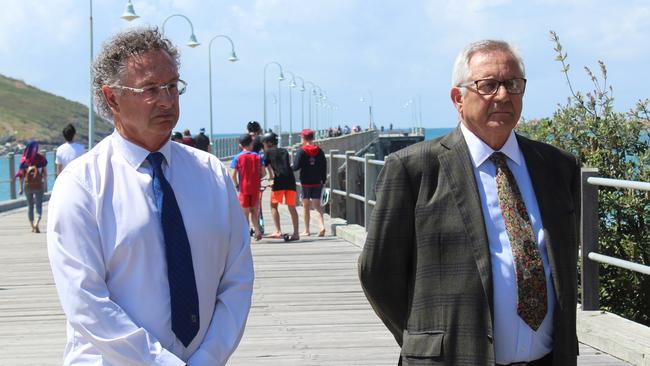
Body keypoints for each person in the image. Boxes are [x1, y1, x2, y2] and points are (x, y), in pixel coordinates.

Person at [358, 40, 580, 365]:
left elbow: (562, 263)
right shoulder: (414, 170)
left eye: (513, 84)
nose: (503, 96)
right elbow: (377, 272)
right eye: (488, 85)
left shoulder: (558, 167)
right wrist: (424, 339)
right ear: (457, 98)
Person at [47, 27, 254, 365]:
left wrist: (209, 357)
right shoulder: (81, 185)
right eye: (150, 89)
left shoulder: (211, 174)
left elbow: (238, 278)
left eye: (173, 86)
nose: (167, 100)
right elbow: (84, 299)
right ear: (112, 98)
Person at [261, 132, 299, 241]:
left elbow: (267, 166)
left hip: (279, 180)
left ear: (268, 143)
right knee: (291, 206)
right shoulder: (284, 151)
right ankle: (296, 233)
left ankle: (278, 231)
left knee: (273, 206)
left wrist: (271, 178)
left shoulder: (267, 152)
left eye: (264, 143)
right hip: (290, 180)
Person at [292, 128, 327, 237]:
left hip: (306, 182)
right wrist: (323, 180)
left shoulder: (301, 151)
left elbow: (296, 167)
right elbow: (324, 166)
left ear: (303, 138)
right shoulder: (319, 151)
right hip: (317, 181)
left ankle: (307, 230)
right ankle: (321, 226)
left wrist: (287, 169)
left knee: (306, 206)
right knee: (317, 205)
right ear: (312, 138)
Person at [230, 133, 264, 241]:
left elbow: (233, 174)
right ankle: (257, 231)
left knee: (245, 215)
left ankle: (246, 236)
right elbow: (263, 173)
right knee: (255, 211)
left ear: (240, 145)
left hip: (244, 189)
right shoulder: (258, 156)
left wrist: (236, 185)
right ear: (252, 143)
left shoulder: (238, 157)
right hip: (255, 188)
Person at [16, 140, 47, 233]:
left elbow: (21, 176)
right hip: (38, 185)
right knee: (39, 205)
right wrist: (43, 182)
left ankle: (32, 226)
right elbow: (45, 174)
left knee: (30, 206)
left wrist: (20, 187)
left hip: (27, 185)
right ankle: (37, 222)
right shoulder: (41, 159)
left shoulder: (23, 160)